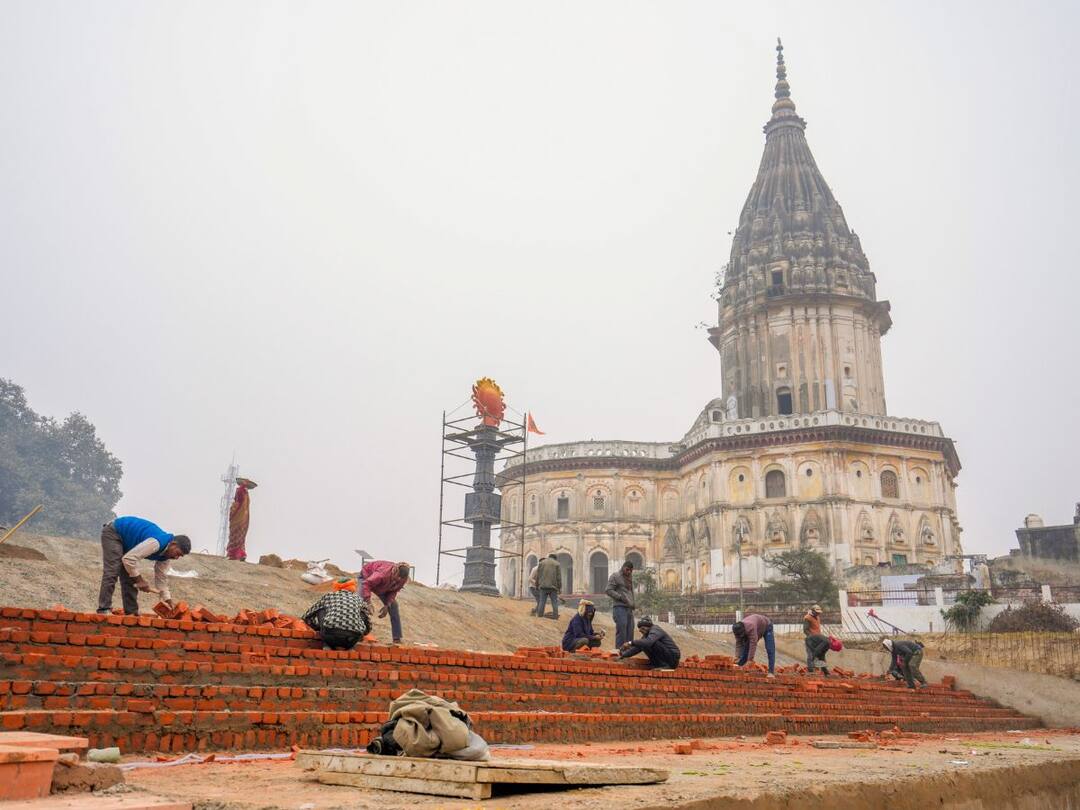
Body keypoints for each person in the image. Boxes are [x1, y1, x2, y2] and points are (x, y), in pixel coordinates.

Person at [98, 516, 191, 615]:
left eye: (180, 556)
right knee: (112, 571)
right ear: (173, 544)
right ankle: (104, 609)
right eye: (177, 553)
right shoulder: (157, 542)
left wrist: (168, 600)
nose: (176, 557)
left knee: (130, 577)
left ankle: (131, 614)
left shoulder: (167, 556)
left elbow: (161, 579)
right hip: (115, 531)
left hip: (128, 542)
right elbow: (129, 559)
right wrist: (140, 580)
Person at [302, 578, 371, 650]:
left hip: (329, 637)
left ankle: (327, 645)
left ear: (336, 587)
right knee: (362, 613)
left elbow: (306, 616)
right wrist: (361, 635)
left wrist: (318, 628)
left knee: (321, 610)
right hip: (352, 640)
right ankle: (351, 647)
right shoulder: (359, 599)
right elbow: (368, 624)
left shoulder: (329, 596)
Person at [361, 560, 411, 644]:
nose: (399, 579)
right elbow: (367, 584)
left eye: (401, 578)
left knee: (393, 606)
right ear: (396, 571)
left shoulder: (403, 579)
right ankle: (359, 634)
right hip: (366, 577)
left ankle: (397, 638)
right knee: (361, 603)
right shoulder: (382, 574)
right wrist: (368, 601)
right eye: (398, 576)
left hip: (383, 586)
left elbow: (393, 591)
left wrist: (387, 605)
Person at [605, 560, 636, 650]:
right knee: (622, 630)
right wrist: (619, 597)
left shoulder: (630, 578)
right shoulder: (615, 576)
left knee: (630, 631)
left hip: (629, 608)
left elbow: (630, 592)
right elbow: (608, 590)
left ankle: (628, 653)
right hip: (619, 608)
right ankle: (619, 651)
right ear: (623, 568)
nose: (629, 572)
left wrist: (633, 604)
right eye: (627, 569)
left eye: (630, 570)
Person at [227, 477, 257, 561]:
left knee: (240, 536)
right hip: (238, 517)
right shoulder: (240, 491)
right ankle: (235, 554)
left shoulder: (245, 493)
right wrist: (243, 486)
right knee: (236, 536)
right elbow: (239, 497)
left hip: (242, 517)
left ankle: (238, 553)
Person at [534, 554, 562, 620]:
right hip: (553, 587)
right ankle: (555, 616)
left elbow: (538, 576)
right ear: (555, 558)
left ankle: (540, 616)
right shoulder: (557, 564)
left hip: (543, 586)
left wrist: (537, 585)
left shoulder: (541, 563)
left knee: (542, 601)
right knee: (554, 602)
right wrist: (559, 588)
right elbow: (559, 577)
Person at [802, 604, 823, 672]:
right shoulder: (807, 618)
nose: (818, 613)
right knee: (810, 655)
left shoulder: (818, 617)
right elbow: (805, 630)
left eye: (818, 612)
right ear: (812, 611)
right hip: (810, 640)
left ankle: (818, 669)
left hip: (818, 639)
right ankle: (811, 670)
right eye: (816, 612)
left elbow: (817, 628)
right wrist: (811, 637)